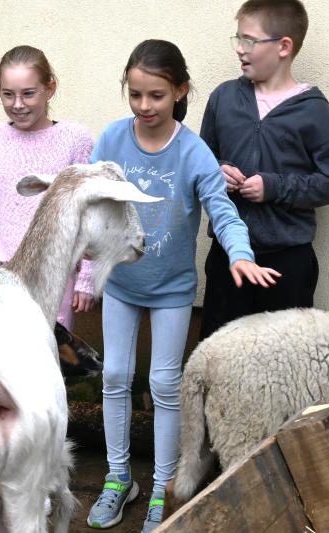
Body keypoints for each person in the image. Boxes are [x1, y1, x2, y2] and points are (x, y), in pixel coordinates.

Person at [85, 40, 279, 532]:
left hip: (171, 289)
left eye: (155, 95)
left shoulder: (194, 152)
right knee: (114, 376)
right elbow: (88, 196)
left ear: (179, 91)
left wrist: (241, 254)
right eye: (135, 95)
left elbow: (224, 211)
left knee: (165, 385)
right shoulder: (111, 139)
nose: (144, 106)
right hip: (121, 281)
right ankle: (117, 478)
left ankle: (163, 487)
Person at [199, 0, 329, 340]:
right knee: (218, 353)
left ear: (284, 46)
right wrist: (217, 171)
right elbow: (202, 157)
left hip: (287, 261)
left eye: (250, 41)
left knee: (285, 359)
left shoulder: (313, 112)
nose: (240, 49)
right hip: (228, 257)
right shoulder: (223, 98)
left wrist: (275, 187)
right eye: (237, 39)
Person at [0, 45, 95, 328]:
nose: (17, 104)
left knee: (47, 358)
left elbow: (88, 211)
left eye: (28, 93)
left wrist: (87, 277)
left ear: (49, 88)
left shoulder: (75, 140)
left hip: (53, 274)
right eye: (8, 94)